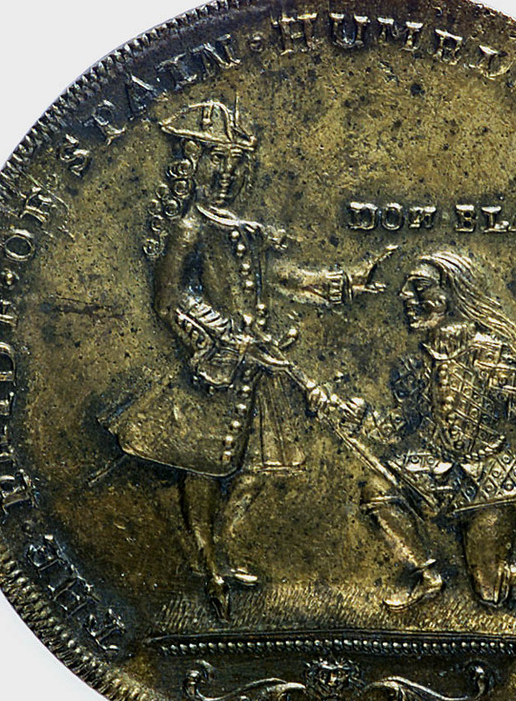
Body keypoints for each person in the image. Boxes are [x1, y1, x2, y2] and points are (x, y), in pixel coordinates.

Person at [105, 100, 392, 619]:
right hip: (211, 373)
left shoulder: (245, 229)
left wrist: (344, 282)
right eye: (217, 161)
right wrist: (225, 336)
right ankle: (205, 562)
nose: (227, 174)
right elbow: (169, 300)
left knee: (253, 471)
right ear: (192, 163)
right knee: (202, 470)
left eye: (236, 164)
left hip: (253, 372)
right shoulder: (188, 229)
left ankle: (221, 547)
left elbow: (280, 279)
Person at [320, 251, 516, 610]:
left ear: (451, 296)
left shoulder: (487, 354)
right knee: (376, 490)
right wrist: (352, 415)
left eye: (419, 288)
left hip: (490, 477)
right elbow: (398, 426)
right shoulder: (415, 365)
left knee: (490, 590)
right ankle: (427, 576)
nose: (405, 296)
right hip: (433, 471)